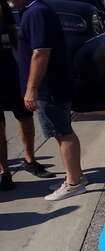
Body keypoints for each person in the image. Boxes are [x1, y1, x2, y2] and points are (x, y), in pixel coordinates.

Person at [11, 0, 84, 200]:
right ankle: (75, 176)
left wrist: (31, 89)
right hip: (50, 85)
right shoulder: (33, 11)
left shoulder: (36, 13)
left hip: (49, 87)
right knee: (61, 131)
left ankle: (73, 183)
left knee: (61, 132)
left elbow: (41, 53)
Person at [0, 0, 52, 190]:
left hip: (11, 72)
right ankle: (4, 172)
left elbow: (16, 37)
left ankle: (29, 159)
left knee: (25, 116)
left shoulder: (5, 8)